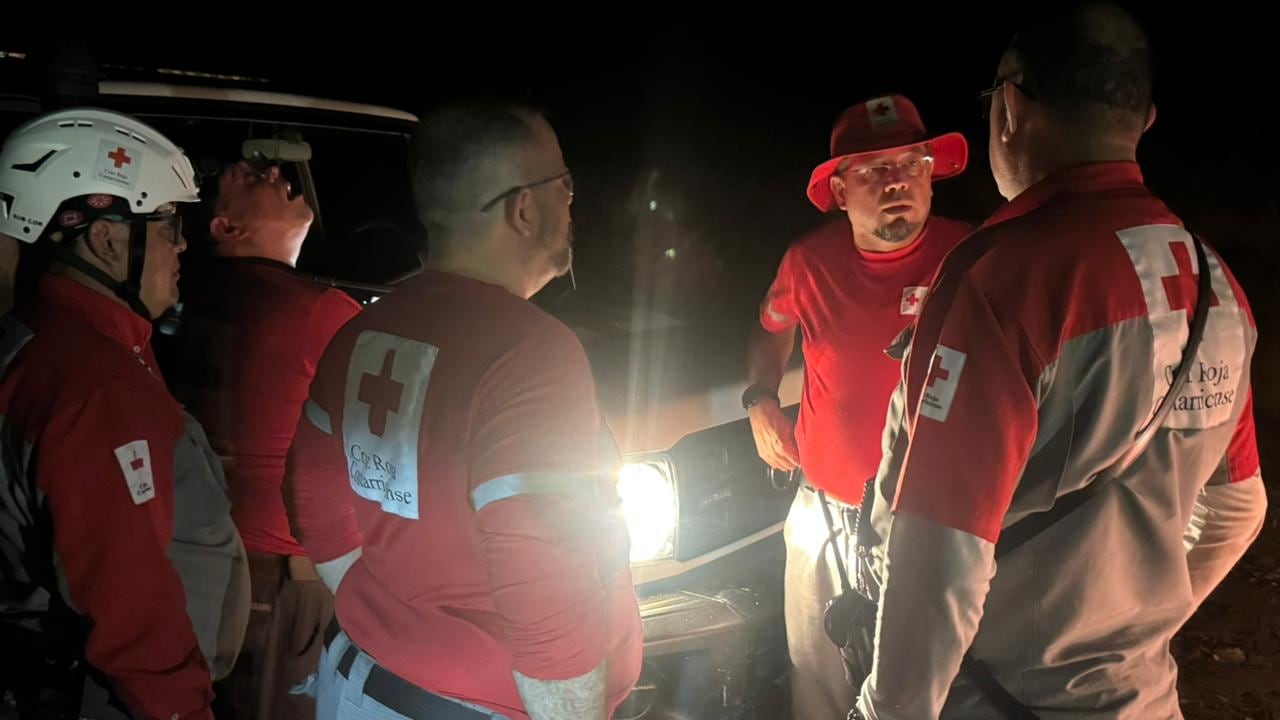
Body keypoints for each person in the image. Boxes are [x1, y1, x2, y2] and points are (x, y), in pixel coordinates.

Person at [853, 5, 1266, 718]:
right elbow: (1236, 507)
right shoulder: (1217, 284)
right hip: (1146, 698)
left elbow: (939, 551)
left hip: (1000, 699)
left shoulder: (1003, 276)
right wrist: (1130, 636)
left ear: (1010, 108)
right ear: (1144, 120)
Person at [284, 102, 643, 720]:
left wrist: (385, 617)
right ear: (523, 208)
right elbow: (542, 590)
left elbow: (309, 499)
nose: (572, 205)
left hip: (363, 682)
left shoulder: (361, 332)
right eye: (566, 187)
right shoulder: (530, 352)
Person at [743, 93, 970, 719]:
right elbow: (770, 326)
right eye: (871, 171)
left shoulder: (975, 257)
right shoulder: (807, 262)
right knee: (817, 674)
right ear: (840, 192)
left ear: (931, 174)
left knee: (934, 685)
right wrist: (760, 397)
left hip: (940, 517)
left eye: (911, 163)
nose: (896, 182)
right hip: (823, 507)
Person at [0, 108, 217, 720]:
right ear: (107, 238)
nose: (182, 245)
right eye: (170, 224)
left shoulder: (56, 335)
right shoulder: (97, 384)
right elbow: (129, 604)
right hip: (100, 695)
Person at [171, 152, 361, 720]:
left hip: (201, 555)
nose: (278, 174)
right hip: (284, 580)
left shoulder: (184, 302)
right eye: (253, 179)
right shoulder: (319, 314)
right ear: (227, 228)